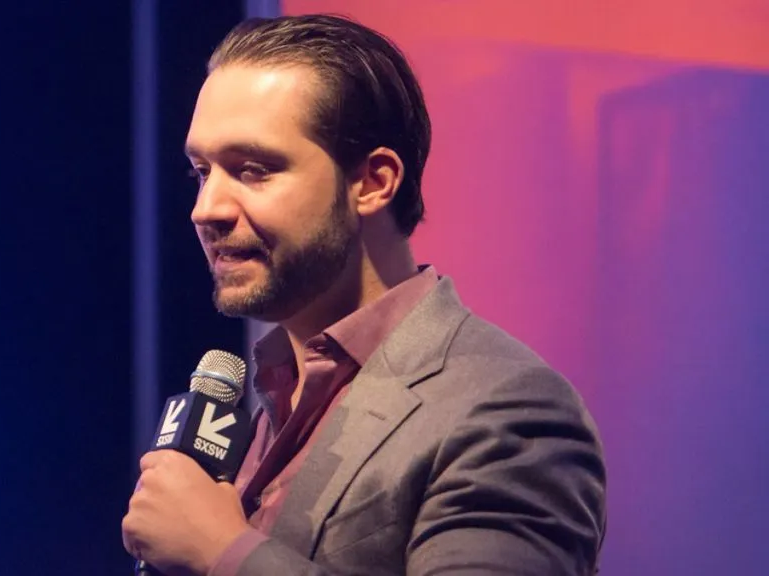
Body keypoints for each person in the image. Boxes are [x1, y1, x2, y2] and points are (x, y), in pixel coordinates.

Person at [122, 13, 606, 576]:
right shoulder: (272, 401)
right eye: (201, 172)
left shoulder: (506, 409)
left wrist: (223, 551)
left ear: (373, 182)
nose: (206, 209)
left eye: (253, 169)